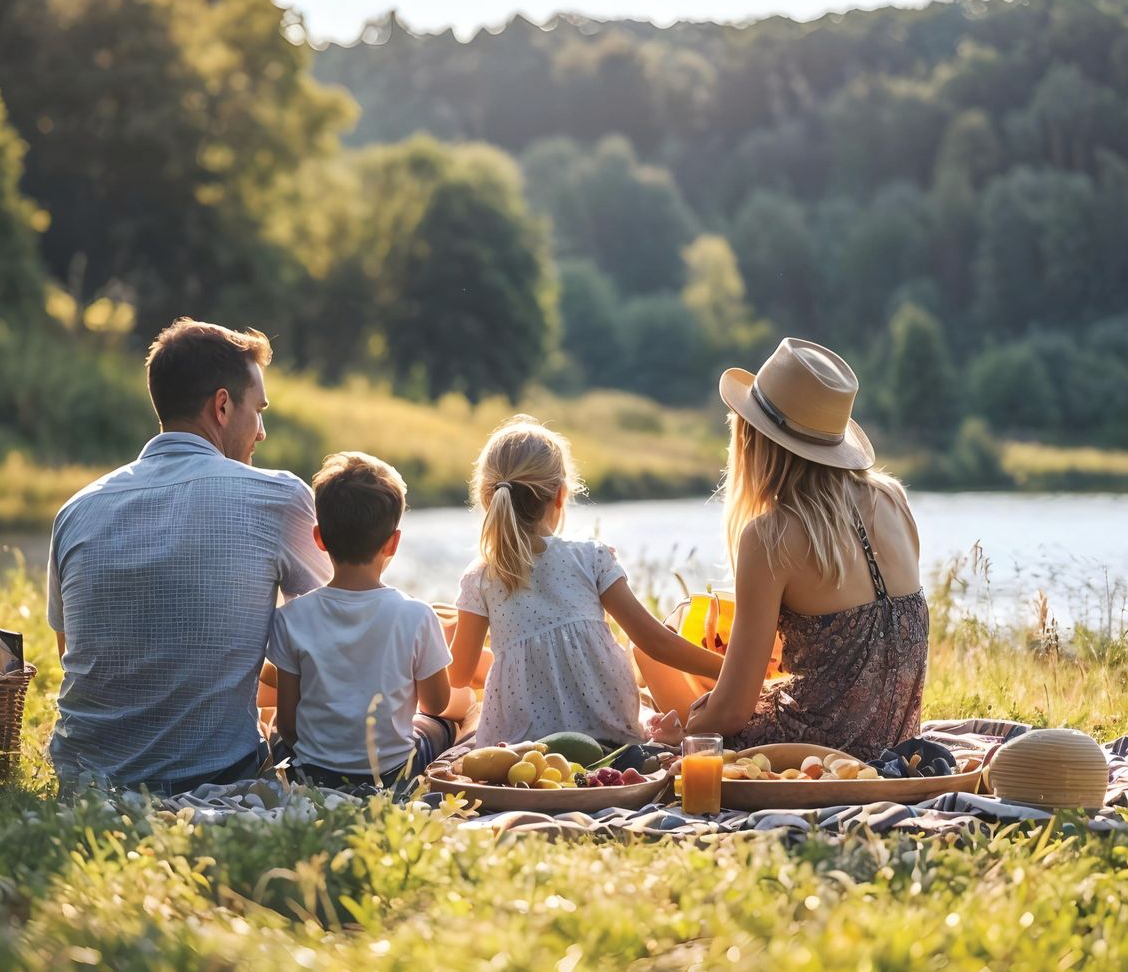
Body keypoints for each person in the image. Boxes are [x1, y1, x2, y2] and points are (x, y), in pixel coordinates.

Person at [46, 318, 331, 793]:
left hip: (84, 779)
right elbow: (338, 641)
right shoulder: (277, 499)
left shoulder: (75, 510)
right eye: (258, 411)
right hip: (214, 776)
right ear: (222, 405)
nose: (260, 432)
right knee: (439, 724)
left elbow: (72, 654)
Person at [641, 338, 928, 759]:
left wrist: (685, 733)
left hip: (813, 755)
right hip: (898, 745)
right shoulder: (893, 500)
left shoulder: (771, 536)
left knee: (653, 659)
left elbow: (733, 713)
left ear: (753, 440)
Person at [449, 416, 723, 747]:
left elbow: (459, 674)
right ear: (561, 495)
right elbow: (655, 641)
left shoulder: (480, 576)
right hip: (612, 739)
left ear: (486, 497)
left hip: (524, 749)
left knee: (469, 728)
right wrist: (731, 670)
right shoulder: (590, 557)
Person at [268, 452, 475, 789]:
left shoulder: (290, 617)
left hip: (314, 773)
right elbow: (436, 704)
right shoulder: (417, 615)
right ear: (393, 543)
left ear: (319, 538)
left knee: (274, 728)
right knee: (449, 724)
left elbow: (289, 726)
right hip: (392, 773)